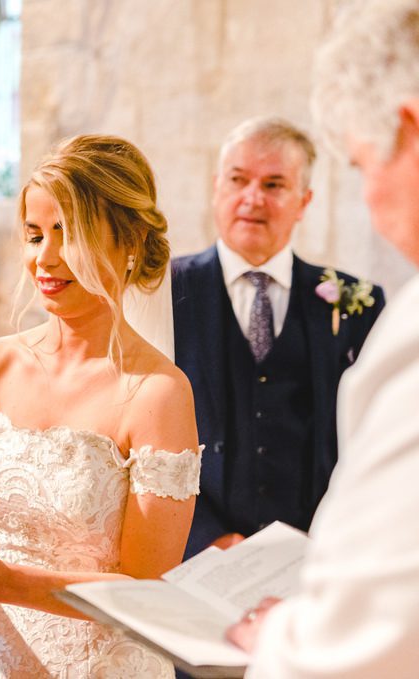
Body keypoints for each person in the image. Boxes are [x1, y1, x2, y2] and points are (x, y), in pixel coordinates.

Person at [0, 134, 200, 677]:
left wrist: (5, 581)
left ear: (129, 241)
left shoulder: (156, 393)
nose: (45, 259)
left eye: (69, 234)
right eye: (35, 235)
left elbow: (146, 593)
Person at [224, 2, 419, 673]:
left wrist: (283, 636)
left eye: (363, 165)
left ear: (408, 128)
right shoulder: (171, 291)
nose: (368, 194)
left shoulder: (377, 311)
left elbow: (383, 624)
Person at [173, 117, 383, 558]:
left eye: (273, 184)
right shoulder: (164, 292)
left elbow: (373, 436)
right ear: (216, 188)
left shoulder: (355, 303)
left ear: (304, 201)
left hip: (321, 554)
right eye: (238, 180)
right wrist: (208, 536)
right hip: (197, 556)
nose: (253, 198)